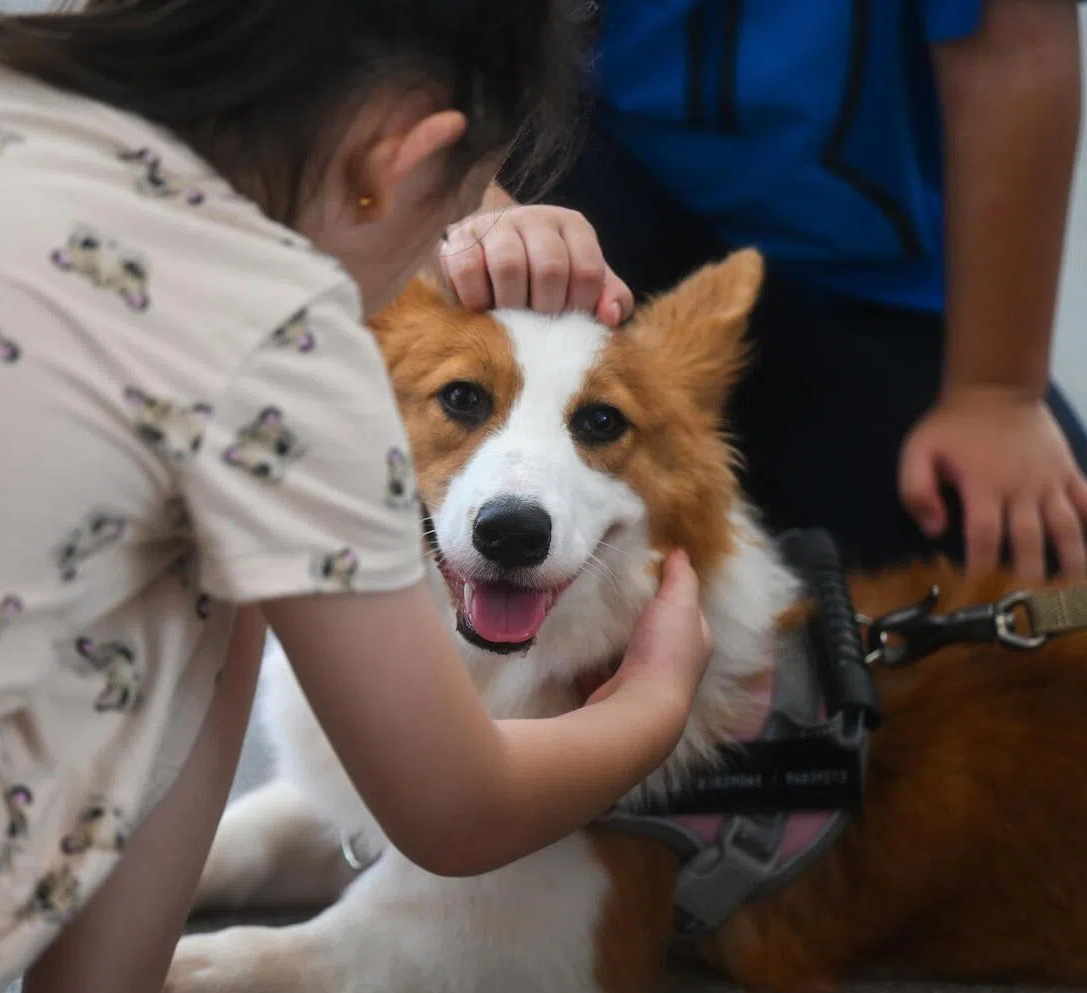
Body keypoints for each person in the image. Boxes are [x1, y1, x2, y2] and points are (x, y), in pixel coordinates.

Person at [0, 2, 714, 993]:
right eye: (458, 209)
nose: (444, 259)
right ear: (397, 158)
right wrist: (657, 697)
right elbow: (455, 813)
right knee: (220, 554)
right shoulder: (279, 334)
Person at [441, 0, 1087, 584]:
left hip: (858, 271)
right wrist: (480, 209)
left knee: (1036, 570)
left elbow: (1016, 53)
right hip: (565, 196)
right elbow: (394, 45)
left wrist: (997, 392)